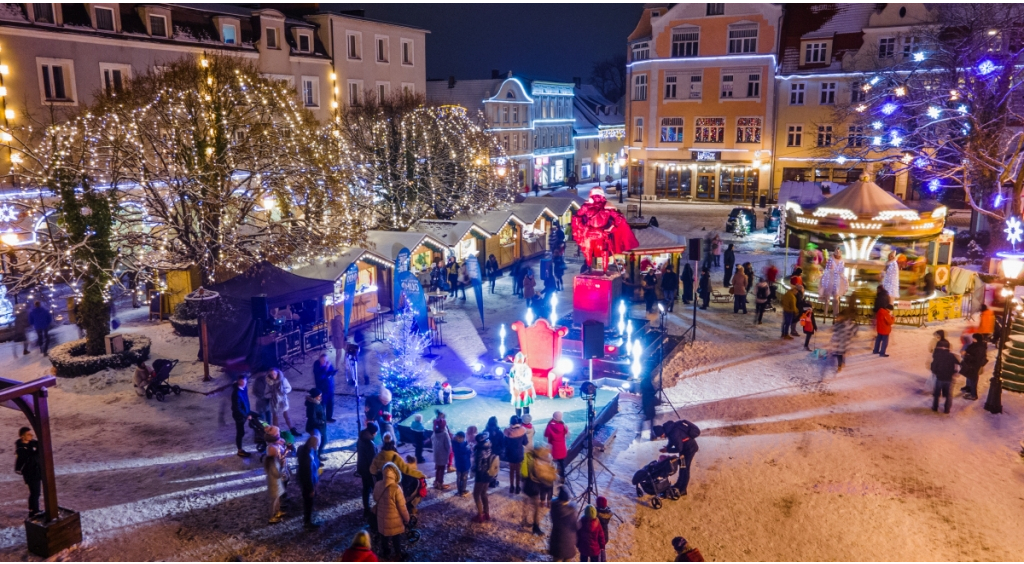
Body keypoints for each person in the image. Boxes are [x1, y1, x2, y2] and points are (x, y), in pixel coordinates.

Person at [372, 461, 410, 559]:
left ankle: (385, 552)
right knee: (396, 537)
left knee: (384, 535)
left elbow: (375, 498)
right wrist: (407, 518)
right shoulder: (396, 488)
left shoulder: (378, 484)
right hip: (394, 519)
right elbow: (402, 507)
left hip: (381, 518)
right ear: (396, 473)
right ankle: (398, 554)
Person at [654, 419, 700, 496]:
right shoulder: (669, 430)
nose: (661, 437)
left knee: (685, 469)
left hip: (689, 449)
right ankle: (678, 485)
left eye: (660, 436)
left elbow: (679, 448)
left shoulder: (673, 433)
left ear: (662, 433)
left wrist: (667, 450)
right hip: (685, 449)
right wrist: (668, 447)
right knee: (682, 467)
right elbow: (672, 441)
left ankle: (683, 490)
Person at [522, 445, 556, 535]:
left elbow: (524, 473)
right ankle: (535, 527)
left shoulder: (529, 458)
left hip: (527, 485)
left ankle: (524, 520)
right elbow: (544, 478)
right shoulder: (538, 463)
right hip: (533, 487)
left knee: (527, 503)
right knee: (536, 508)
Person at [15, 427, 43, 519]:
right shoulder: (21, 449)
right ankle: (34, 512)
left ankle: (34, 510)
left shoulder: (30, 444)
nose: (31, 436)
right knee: (35, 493)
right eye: (28, 434)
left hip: (35, 472)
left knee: (35, 492)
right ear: (22, 437)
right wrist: (39, 450)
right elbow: (32, 458)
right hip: (30, 474)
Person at [472, 432, 500, 523]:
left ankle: (480, 515)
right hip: (489, 473)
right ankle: (486, 513)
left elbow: (478, 467)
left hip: (481, 475)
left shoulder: (479, 451)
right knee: (484, 493)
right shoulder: (489, 448)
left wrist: (473, 469)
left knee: (476, 494)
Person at [297, 431, 321, 529]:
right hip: (308, 483)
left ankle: (308, 519)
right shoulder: (308, 458)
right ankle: (308, 523)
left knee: (308, 501)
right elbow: (308, 474)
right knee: (308, 502)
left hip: (304, 480)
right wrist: (311, 488)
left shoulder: (303, 449)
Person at [265, 368, 299, 437]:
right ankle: (276, 433)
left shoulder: (283, 380)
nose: (273, 375)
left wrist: (283, 391)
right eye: (271, 374)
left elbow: (289, 388)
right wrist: (272, 395)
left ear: (277, 373)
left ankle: (292, 430)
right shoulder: (269, 383)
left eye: (274, 373)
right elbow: (266, 393)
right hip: (274, 403)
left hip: (283, 401)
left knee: (287, 416)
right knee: (275, 418)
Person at [264, 427, 287, 524]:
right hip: (274, 483)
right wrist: (282, 464)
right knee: (274, 500)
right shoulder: (273, 462)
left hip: (276, 483)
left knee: (277, 499)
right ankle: (271, 516)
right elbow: (277, 474)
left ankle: (277, 512)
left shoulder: (273, 448)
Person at [549, 488, 579, 562]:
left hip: (557, 542)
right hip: (569, 544)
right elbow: (576, 527)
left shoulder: (554, 509)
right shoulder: (572, 512)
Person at [357, 422, 379, 516]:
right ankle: (379, 508)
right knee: (375, 488)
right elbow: (372, 460)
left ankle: (366, 509)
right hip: (369, 470)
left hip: (362, 467)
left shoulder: (361, 438)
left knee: (365, 489)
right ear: (373, 432)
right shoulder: (370, 444)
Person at [931, 342, 961, 414]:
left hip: (940, 377)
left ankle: (935, 407)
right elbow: (960, 364)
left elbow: (933, 366)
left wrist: (936, 372)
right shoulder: (952, 356)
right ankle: (947, 409)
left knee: (937, 393)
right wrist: (955, 372)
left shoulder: (938, 355)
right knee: (949, 395)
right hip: (949, 378)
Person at [504, 415, 528, 495]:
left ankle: (511, 487)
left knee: (511, 471)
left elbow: (504, 443)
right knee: (518, 471)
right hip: (519, 454)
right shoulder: (522, 431)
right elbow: (525, 442)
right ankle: (517, 487)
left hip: (510, 454)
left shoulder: (507, 432)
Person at [230, 375, 254, 458]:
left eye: (245, 382)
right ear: (238, 381)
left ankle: (258, 436)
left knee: (258, 417)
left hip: (246, 411)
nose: (244, 384)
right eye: (242, 382)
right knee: (240, 433)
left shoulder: (244, 388)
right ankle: (240, 450)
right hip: (239, 416)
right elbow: (237, 408)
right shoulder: (236, 393)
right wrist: (246, 415)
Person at [960, 334, 988, 401]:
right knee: (968, 376)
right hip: (970, 364)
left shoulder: (980, 347)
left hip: (975, 366)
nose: (973, 339)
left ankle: (973, 395)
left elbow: (977, 358)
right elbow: (969, 349)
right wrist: (965, 352)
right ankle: (968, 387)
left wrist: (967, 355)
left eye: (974, 338)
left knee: (973, 379)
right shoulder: (974, 344)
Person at [831, 307, 859, 372]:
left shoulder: (846, 324)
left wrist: (854, 333)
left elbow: (854, 327)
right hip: (838, 342)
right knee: (840, 354)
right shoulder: (837, 324)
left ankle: (839, 366)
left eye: (838, 317)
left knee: (840, 354)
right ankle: (841, 364)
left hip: (843, 343)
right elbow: (835, 332)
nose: (837, 318)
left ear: (842, 317)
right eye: (836, 317)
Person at [544, 411, 570, 478]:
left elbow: (546, 434)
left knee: (552, 462)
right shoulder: (563, 425)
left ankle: (552, 475)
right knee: (561, 462)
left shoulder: (550, 425)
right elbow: (567, 433)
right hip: (561, 447)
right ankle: (563, 476)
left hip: (553, 447)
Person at [313, 353, 338, 423]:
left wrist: (333, 373)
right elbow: (319, 376)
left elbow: (331, 372)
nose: (325, 362)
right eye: (323, 360)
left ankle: (329, 417)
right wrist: (326, 368)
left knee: (330, 403)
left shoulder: (328, 364)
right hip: (321, 388)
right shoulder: (317, 365)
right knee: (322, 404)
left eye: (326, 360)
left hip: (329, 387)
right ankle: (320, 418)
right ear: (319, 359)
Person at [431, 411, 453, 490]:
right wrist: (449, 453)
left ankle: (436, 482)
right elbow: (448, 445)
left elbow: (432, 439)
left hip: (436, 453)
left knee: (438, 469)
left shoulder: (435, 432)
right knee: (442, 469)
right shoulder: (444, 433)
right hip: (443, 455)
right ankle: (440, 483)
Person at [305, 388, 328, 458]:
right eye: (319, 396)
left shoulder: (316, 402)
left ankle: (317, 456)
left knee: (323, 440)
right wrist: (322, 421)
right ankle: (315, 457)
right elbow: (313, 419)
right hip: (316, 427)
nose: (320, 397)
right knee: (317, 443)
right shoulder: (313, 406)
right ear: (315, 396)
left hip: (320, 427)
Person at [453, 431, 473, 497]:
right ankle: (463, 490)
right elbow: (469, 453)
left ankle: (459, 491)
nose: (458, 439)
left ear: (463, 438)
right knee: (463, 478)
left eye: (459, 437)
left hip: (459, 464)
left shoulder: (454, 444)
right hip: (465, 464)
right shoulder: (465, 446)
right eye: (458, 437)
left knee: (459, 477)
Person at [596, 497, 614, 561]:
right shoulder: (608, 513)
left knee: (597, 551)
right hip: (605, 536)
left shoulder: (596, 514)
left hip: (597, 536)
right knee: (602, 549)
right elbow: (609, 511)